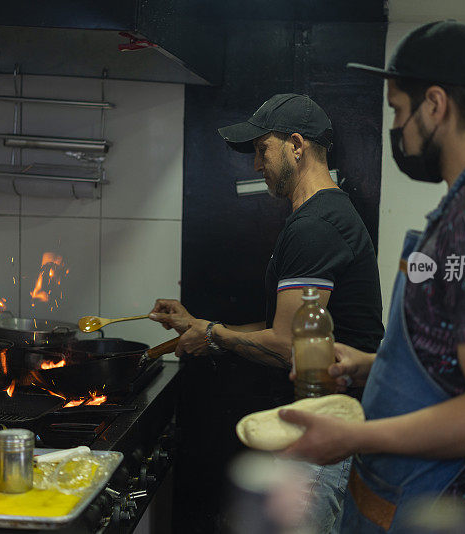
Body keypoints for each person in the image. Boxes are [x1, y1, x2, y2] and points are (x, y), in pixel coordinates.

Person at [278, 20, 465, 533]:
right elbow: (454, 363)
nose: (397, 128)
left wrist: (352, 437)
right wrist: (371, 367)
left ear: (435, 105)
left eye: (397, 110)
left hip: (453, 510)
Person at [151, 93, 384, 533]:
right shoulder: (319, 217)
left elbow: (288, 347)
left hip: (325, 438)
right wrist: (201, 326)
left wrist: (215, 336)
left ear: (297, 145)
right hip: (320, 429)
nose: (256, 165)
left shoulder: (316, 226)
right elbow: (287, 329)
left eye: (263, 149)